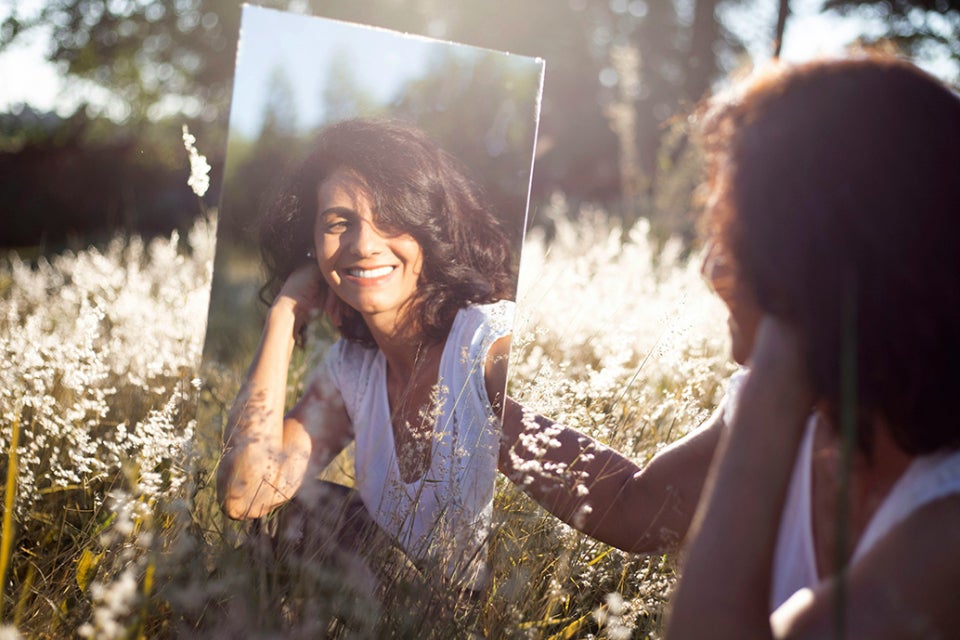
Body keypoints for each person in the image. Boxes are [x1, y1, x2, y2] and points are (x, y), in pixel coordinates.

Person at [497, 54, 960, 639]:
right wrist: (489, 409)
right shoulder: (808, 417)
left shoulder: (947, 525)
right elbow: (634, 507)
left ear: (825, 254)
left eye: (736, 236)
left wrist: (779, 369)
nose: (711, 269)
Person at [216, 117, 518, 593]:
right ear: (311, 246)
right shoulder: (353, 369)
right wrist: (285, 313)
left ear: (430, 229)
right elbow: (246, 493)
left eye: (392, 217)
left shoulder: (489, 342)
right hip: (404, 612)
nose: (364, 244)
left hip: (504, 614)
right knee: (289, 520)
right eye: (339, 223)